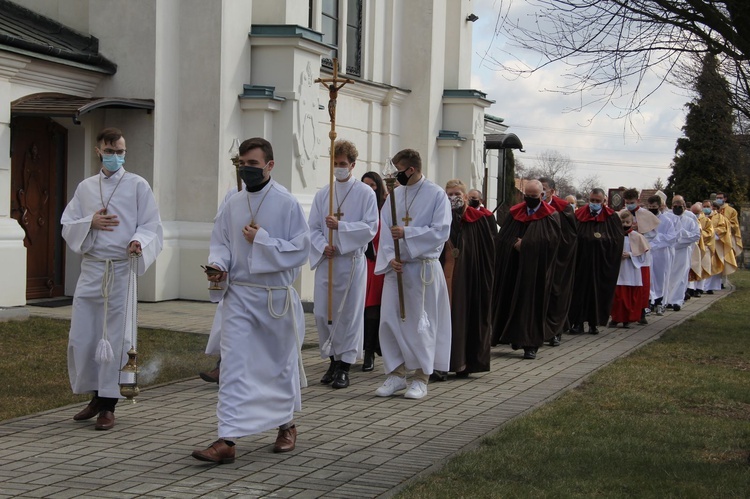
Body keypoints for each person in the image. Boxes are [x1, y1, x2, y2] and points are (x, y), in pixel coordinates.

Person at [192, 137, 310, 463]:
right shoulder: (232, 201)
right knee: (233, 367)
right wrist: (218, 266)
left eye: (253, 164)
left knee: (275, 368)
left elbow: (302, 249)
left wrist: (264, 241)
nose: (246, 169)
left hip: (273, 299)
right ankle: (226, 440)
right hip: (240, 296)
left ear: (270, 165)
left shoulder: (286, 203)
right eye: (242, 163)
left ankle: (286, 425)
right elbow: (221, 242)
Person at [62, 127, 163, 431]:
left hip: (120, 270)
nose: (116, 156)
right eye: (110, 151)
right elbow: (68, 224)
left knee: (117, 338)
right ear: (99, 151)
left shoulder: (137, 185)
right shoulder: (86, 188)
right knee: (86, 334)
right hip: (93, 269)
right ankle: (94, 395)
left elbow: (151, 225)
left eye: (121, 152)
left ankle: (109, 404)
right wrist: (89, 221)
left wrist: (138, 242)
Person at [374, 149, 452, 400]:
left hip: (423, 270)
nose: (395, 175)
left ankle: (421, 377)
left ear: (411, 170)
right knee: (390, 321)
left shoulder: (436, 194)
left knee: (421, 324)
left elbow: (441, 231)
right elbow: (385, 230)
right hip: (397, 269)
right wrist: (390, 257)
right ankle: (396, 374)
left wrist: (407, 233)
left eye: (398, 170)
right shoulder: (395, 195)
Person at [308, 140, 378, 389]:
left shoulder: (365, 193)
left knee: (347, 314)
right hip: (328, 261)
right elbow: (313, 228)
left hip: (350, 262)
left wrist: (342, 228)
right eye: (335, 164)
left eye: (343, 164)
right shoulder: (323, 194)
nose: (339, 168)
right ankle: (332, 359)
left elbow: (371, 226)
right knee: (322, 313)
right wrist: (320, 245)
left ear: (353, 165)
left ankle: (345, 365)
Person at [491, 179, 561, 359]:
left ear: (542, 195)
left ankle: (530, 344)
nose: (531, 199)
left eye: (534, 196)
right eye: (528, 196)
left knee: (530, 305)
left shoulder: (550, 215)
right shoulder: (515, 212)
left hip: (535, 270)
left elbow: (552, 242)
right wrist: (514, 243)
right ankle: (511, 337)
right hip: (513, 267)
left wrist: (527, 245)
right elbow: (503, 237)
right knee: (509, 300)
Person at [439, 179, 496, 376]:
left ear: (465, 197)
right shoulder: (440, 217)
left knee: (465, 318)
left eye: (456, 194)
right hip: (444, 274)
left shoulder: (478, 220)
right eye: (449, 195)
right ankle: (441, 364)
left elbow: (487, 253)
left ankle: (463, 363)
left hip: (469, 277)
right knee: (443, 318)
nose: (453, 198)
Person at [568, 188, 624, 335]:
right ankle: (577, 322)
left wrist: (601, 241)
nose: (594, 203)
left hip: (601, 263)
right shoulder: (578, 215)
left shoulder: (611, 218)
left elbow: (617, 240)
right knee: (579, 292)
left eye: (597, 201)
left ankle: (594, 323)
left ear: (604, 201)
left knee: (597, 293)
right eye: (592, 201)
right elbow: (570, 236)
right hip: (581, 263)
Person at [539, 177, 577, 346]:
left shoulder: (563, 208)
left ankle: (554, 331)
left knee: (555, 294)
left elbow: (569, 237)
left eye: (544, 189)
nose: (541, 193)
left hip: (557, 261)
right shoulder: (531, 208)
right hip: (537, 260)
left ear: (552, 192)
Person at [361, 171, 387, 372]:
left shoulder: (385, 209)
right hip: (360, 263)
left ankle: (369, 352)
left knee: (372, 310)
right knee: (357, 309)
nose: (369, 188)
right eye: (365, 184)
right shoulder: (358, 207)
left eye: (373, 185)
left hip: (377, 264)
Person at [622, 188, 659, 324]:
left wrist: (639, 231)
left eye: (631, 202)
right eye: (626, 202)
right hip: (625, 254)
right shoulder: (623, 213)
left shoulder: (646, 214)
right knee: (625, 284)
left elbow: (653, 233)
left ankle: (642, 311)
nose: (628, 205)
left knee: (642, 283)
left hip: (641, 252)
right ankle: (624, 312)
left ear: (637, 201)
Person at [609, 211, 650, 328]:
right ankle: (616, 318)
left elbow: (643, 255)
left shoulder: (638, 237)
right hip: (619, 269)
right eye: (622, 222)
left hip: (631, 270)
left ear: (633, 223)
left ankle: (627, 318)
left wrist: (630, 255)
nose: (625, 224)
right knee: (617, 296)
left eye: (627, 222)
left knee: (629, 296)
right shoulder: (614, 235)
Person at [665, 195, 701, 311]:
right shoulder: (667, 218)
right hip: (670, 251)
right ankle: (666, 300)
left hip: (683, 251)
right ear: (671, 206)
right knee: (668, 276)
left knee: (681, 277)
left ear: (684, 207)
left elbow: (696, 235)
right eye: (675, 206)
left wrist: (682, 236)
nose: (677, 208)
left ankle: (677, 301)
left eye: (679, 206)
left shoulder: (690, 220)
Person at [646, 194, 677, 316]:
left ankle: (659, 302)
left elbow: (671, 237)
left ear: (659, 206)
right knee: (649, 277)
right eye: (650, 206)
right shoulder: (645, 219)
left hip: (661, 253)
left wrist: (656, 240)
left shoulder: (666, 220)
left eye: (654, 206)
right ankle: (648, 302)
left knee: (660, 277)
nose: (652, 208)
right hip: (648, 252)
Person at [704, 199, 737, 293]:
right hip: (702, 244)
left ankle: (710, 287)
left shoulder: (719, 217)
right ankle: (699, 288)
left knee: (713, 265)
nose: (706, 208)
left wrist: (711, 232)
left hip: (715, 244)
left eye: (708, 206)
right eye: (704, 206)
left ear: (712, 207)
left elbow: (723, 229)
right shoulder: (699, 217)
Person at [688, 202, 714, 295]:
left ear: (701, 211)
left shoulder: (706, 220)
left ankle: (700, 288)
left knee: (703, 267)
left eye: (697, 212)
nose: (695, 214)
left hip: (703, 246)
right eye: (693, 212)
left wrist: (699, 234)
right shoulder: (688, 219)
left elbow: (710, 233)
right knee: (691, 267)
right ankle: (691, 288)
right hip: (691, 246)